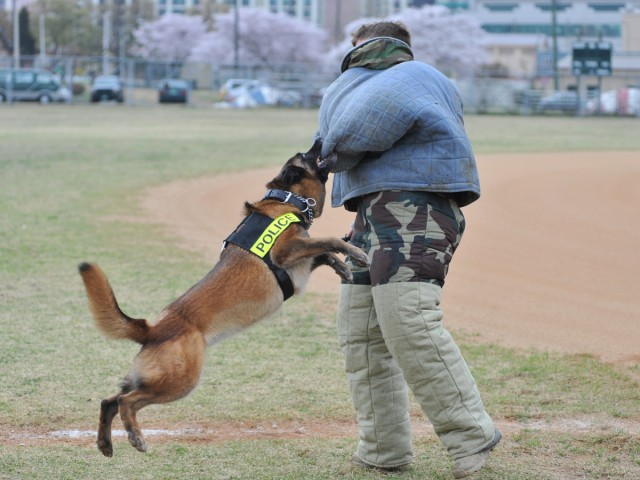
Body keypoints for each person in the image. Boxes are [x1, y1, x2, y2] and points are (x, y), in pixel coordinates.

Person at [315, 21, 501, 479]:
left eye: (358, 49)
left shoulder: (415, 77)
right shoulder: (382, 83)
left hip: (414, 209)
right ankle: (384, 450)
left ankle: (471, 435)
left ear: (370, 46)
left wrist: (324, 156)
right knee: (361, 332)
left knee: (409, 321)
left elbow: (350, 133)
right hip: (374, 214)